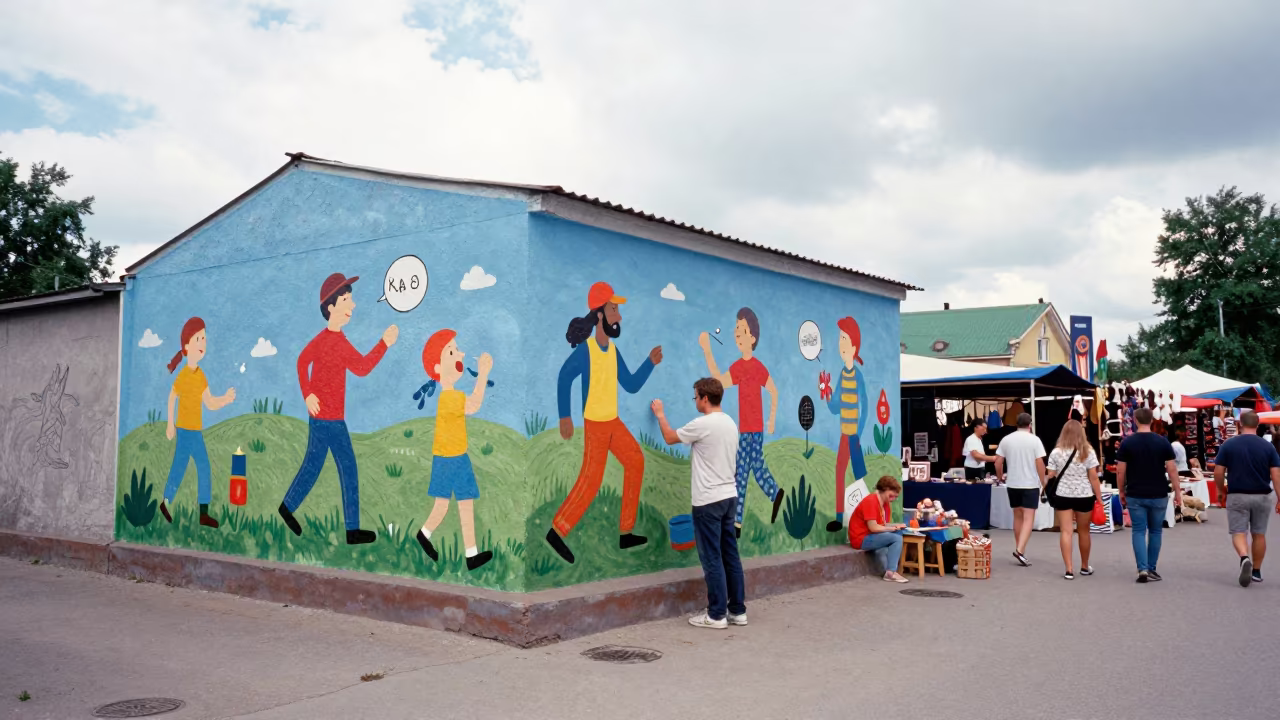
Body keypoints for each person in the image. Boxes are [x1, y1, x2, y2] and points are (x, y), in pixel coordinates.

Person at [278, 273, 398, 545]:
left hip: (333, 417)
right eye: (346, 299)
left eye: (351, 299)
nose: (352, 305)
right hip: (324, 418)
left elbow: (362, 368)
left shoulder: (341, 342)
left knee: (314, 466)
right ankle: (351, 530)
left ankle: (287, 507)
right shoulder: (321, 341)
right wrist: (307, 394)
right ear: (331, 307)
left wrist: (383, 345)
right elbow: (301, 362)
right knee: (346, 467)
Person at [548, 282, 663, 564]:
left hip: (613, 423)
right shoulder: (586, 350)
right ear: (599, 315)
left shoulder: (612, 352)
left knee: (635, 460)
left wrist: (649, 362)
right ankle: (557, 531)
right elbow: (564, 377)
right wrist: (565, 416)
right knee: (591, 481)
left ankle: (625, 532)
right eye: (614, 310)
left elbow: (632, 385)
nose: (619, 317)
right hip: (596, 425)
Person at [651, 378, 745, 629]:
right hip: (729, 497)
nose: (695, 401)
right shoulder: (730, 423)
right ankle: (737, 610)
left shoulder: (703, 424)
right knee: (730, 556)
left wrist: (660, 414)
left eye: (695, 397)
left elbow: (670, 437)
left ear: (705, 398)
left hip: (708, 501)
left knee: (712, 558)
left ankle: (716, 615)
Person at [699, 307, 785, 538]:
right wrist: (708, 350)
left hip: (752, 429)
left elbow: (774, 390)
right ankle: (774, 494)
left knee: (743, 473)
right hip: (747, 429)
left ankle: (737, 522)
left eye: (742, 329)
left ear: (753, 338)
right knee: (752, 469)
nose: (737, 333)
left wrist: (772, 419)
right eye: (736, 329)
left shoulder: (756, 367)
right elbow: (718, 380)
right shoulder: (738, 367)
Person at [415, 329, 494, 572]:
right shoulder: (450, 397)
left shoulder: (448, 396)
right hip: (454, 459)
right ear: (438, 369)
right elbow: (474, 405)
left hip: (448, 457)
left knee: (452, 503)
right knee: (457, 503)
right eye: (452, 351)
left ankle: (429, 536)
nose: (460, 353)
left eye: (457, 348)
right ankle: (463, 551)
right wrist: (482, 375)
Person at [159, 317, 235, 528]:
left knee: (199, 467)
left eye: (204, 339)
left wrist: (225, 400)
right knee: (186, 467)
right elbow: (172, 397)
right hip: (185, 431)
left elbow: (209, 403)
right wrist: (170, 424)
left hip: (195, 431)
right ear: (187, 346)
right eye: (198, 339)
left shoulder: (201, 376)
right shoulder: (183, 376)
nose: (203, 343)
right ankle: (168, 503)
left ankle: (196, 512)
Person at [1212, 410, 1280, 587]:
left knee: (1238, 531)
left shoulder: (1229, 445)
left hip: (1237, 494)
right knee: (1259, 534)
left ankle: (1244, 558)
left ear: (1240, 424)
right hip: (1262, 496)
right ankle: (1256, 571)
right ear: (1258, 425)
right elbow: (1275, 475)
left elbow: (1218, 471)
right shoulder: (1268, 447)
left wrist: (1220, 490)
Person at [1117, 407, 1181, 583]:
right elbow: (1172, 469)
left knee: (1138, 530)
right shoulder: (1163, 442)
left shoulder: (1127, 443)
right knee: (1155, 531)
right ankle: (1152, 568)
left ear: (1135, 421)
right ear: (1152, 420)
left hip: (1136, 493)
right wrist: (1178, 492)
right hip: (1159, 493)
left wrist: (1121, 490)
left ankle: (1142, 568)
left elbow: (1120, 471)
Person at [823, 316, 870, 532]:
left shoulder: (857, 375)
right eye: (839, 339)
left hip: (854, 436)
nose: (840, 344)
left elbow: (866, 406)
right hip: (845, 434)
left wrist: (858, 433)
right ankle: (840, 518)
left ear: (853, 346)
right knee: (840, 472)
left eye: (844, 339)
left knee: (860, 475)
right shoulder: (843, 375)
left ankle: (869, 516)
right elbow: (834, 407)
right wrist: (826, 391)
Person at [1045, 419, 1103, 580]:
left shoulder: (1056, 452)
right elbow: (1093, 477)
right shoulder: (1088, 451)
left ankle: (1069, 569)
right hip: (1084, 495)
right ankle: (1084, 566)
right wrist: (1099, 497)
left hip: (1063, 494)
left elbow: (1050, 474)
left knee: (1066, 531)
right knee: (1084, 531)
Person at [995, 413, 1046, 566]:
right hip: (1029, 483)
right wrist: (1043, 481)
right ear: (1029, 424)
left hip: (1013, 483)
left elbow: (998, 462)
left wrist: (999, 477)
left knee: (1017, 516)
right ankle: (1020, 550)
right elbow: (1040, 463)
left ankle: (1020, 547)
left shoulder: (1006, 439)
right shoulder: (1035, 440)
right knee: (1028, 518)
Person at [848, 476, 910, 583]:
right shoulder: (871, 501)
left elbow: (882, 524)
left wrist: (896, 526)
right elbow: (873, 527)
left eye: (895, 497)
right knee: (896, 539)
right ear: (884, 489)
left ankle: (890, 568)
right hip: (861, 538)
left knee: (898, 532)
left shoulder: (885, 504)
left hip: (871, 535)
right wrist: (892, 528)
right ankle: (890, 573)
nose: (892, 499)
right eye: (891, 496)